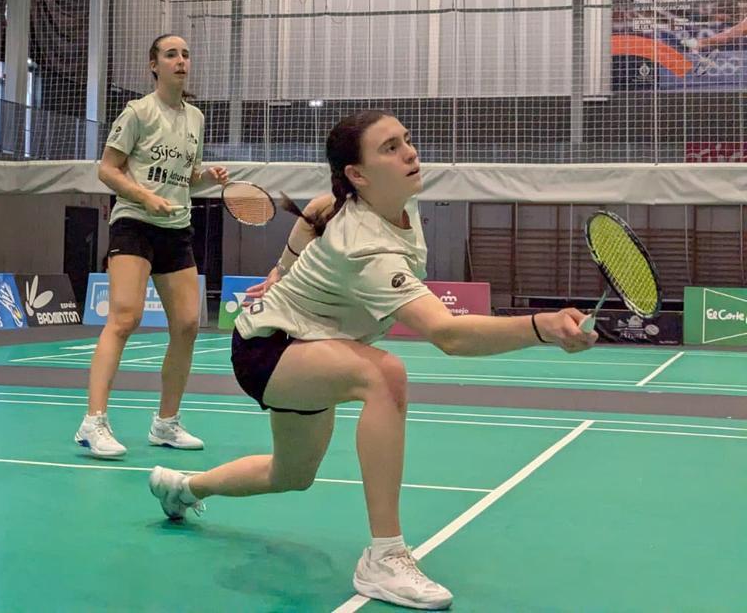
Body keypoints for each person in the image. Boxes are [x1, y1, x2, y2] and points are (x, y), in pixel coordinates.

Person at [147, 110, 596, 610]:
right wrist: (540, 327)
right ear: (357, 175)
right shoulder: (364, 247)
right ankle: (385, 557)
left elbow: (318, 208)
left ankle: (182, 488)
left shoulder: (388, 200)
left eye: (406, 140)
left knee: (290, 475)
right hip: (269, 349)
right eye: (390, 148)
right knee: (383, 374)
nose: (410, 152)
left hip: (312, 345)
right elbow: (447, 334)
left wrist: (281, 271)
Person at [75, 34, 229, 459]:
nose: (181, 61)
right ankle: (93, 422)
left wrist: (206, 178)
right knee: (125, 318)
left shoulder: (196, 118)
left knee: (187, 325)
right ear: (154, 65)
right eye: (171, 54)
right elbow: (107, 169)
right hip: (135, 223)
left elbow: (186, 177)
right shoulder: (138, 112)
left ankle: (166, 423)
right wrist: (145, 197)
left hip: (176, 227)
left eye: (186, 54)